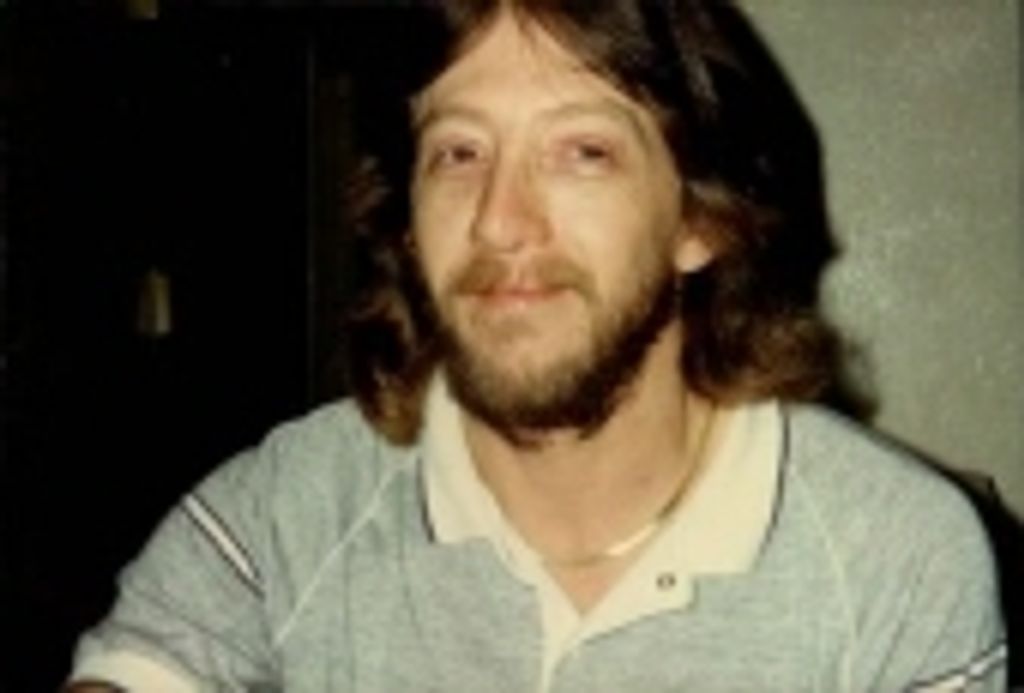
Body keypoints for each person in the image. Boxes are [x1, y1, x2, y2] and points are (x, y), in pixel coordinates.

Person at [66, 1, 1007, 691]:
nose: (499, 220)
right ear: (407, 223)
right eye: (459, 153)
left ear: (701, 220)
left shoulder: (898, 560)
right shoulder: (285, 510)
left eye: (582, 151)